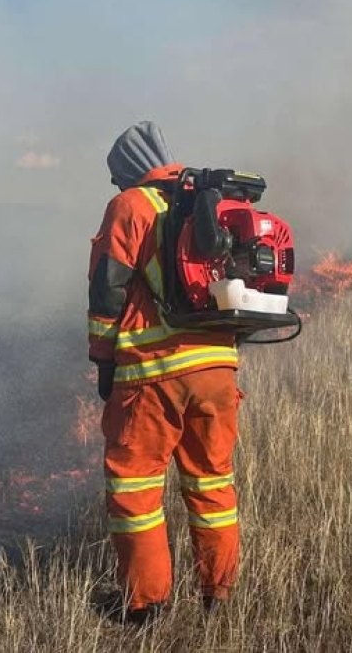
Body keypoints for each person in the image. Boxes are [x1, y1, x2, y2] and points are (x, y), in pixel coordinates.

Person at [87, 121, 242, 624]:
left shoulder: (131, 205)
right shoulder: (207, 201)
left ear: (129, 170)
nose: (117, 188)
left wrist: (103, 358)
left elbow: (107, 290)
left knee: (134, 488)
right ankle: (218, 597)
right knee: (212, 486)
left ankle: (146, 605)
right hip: (218, 366)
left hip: (155, 373)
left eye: (118, 178)